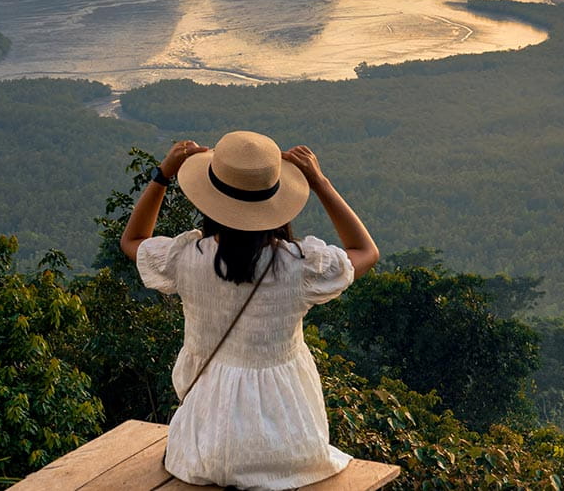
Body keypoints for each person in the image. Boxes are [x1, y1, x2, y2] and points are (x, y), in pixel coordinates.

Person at [120, 130, 380, 491]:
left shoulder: (184, 259)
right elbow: (365, 251)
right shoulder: (300, 266)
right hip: (290, 449)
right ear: (277, 202)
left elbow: (132, 240)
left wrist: (163, 175)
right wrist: (320, 183)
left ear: (210, 201)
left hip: (205, 447)